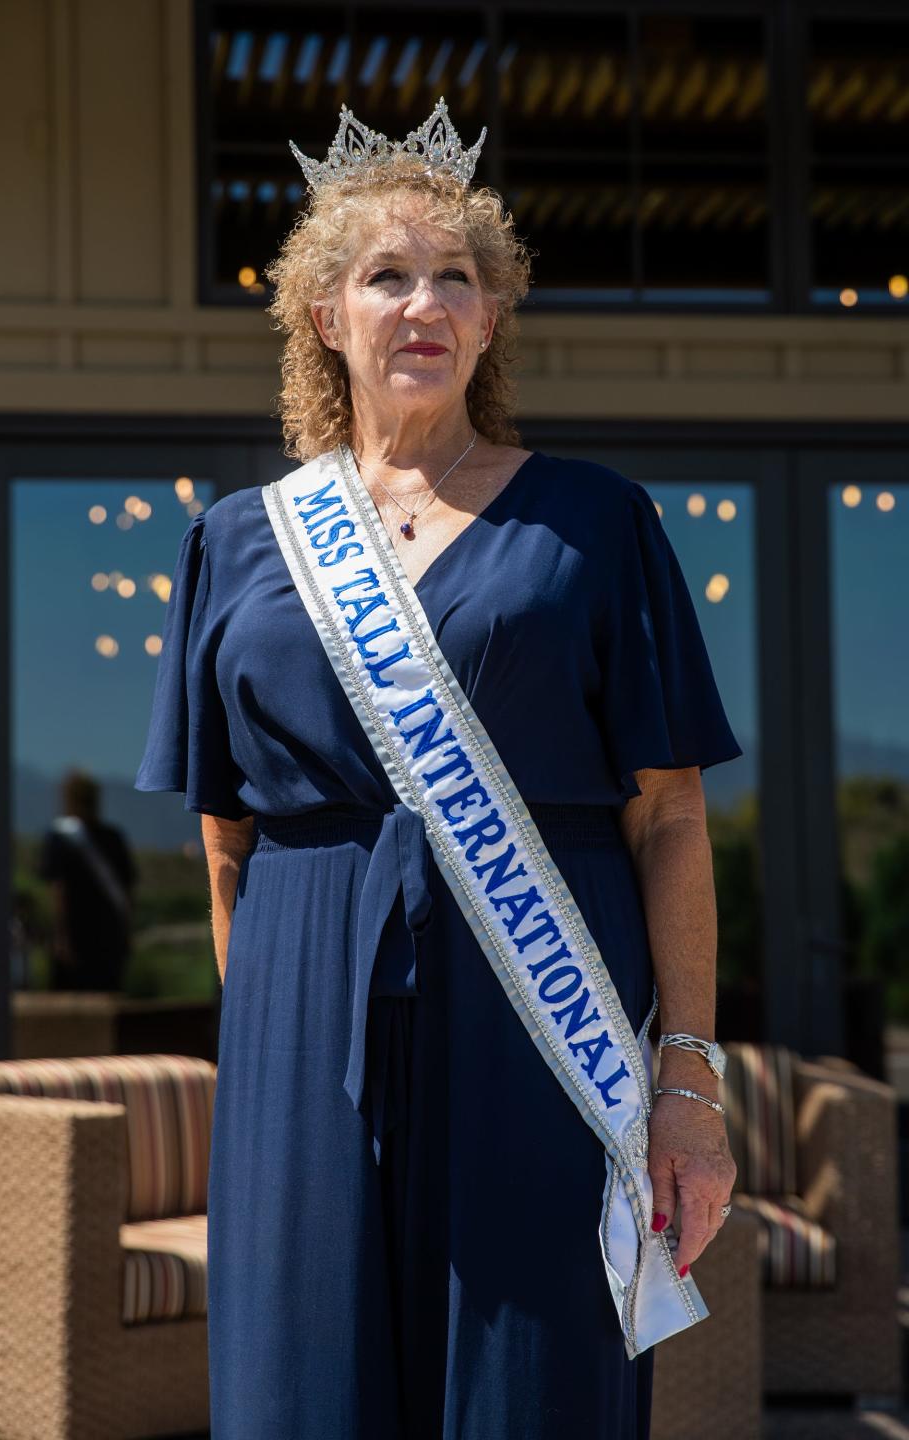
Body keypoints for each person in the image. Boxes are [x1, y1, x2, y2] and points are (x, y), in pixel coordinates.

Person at [135, 96, 742, 1440]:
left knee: (532, 1389)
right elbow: (225, 843)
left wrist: (688, 1087)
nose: (424, 303)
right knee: (303, 1389)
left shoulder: (595, 524)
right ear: (324, 316)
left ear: (490, 317)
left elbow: (671, 817)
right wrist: (294, 1015)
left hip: (543, 1022)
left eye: (456, 278)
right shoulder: (239, 543)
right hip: (303, 1013)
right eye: (386, 275)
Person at [38, 768, 137, 991]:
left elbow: (57, 890)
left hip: (83, 937)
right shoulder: (112, 838)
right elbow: (128, 891)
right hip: (103, 937)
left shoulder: (59, 838)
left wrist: (60, 937)